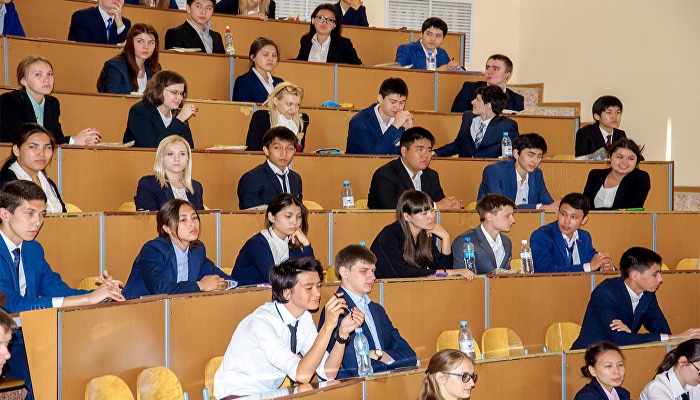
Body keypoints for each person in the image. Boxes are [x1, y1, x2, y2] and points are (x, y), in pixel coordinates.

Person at [0, 181, 124, 399]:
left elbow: (59, 290)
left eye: (42, 214)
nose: (38, 222)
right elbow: (11, 304)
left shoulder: (33, 249)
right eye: (30, 213)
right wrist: (86, 300)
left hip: (35, 334)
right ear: (5, 214)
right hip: (6, 341)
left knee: (87, 362)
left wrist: (103, 295)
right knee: (49, 375)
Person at [214, 257, 364, 397]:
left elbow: (328, 372)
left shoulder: (304, 317)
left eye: (318, 286)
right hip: (239, 395)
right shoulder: (261, 322)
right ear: (286, 293)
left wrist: (342, 335)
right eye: (309, 288)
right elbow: (302, 376)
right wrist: (328, 327)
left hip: (270, 395)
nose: (317, 293)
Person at [571, 247, 700, 350]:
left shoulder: (648, 294)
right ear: (635, 276)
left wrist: (630, 336)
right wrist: (675, 337)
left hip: (618, 357)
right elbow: (619, 340)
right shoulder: (605, 293)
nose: (660, 279)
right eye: (655, 274)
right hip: (588, 357)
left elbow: (662, 331)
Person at [318, 245, 417, 378]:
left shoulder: (377, 310)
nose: (373, 277)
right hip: (353, 388)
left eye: (373, 271)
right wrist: (390, 361)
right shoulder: (336, 311)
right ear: (344, 272)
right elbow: (356, 366)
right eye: (364, 271)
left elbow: (410, 356)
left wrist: (378, 354)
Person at [122, 199, 235, 299]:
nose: (192, 224)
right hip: (136, 309)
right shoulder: (153, 250)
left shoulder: (197, 250)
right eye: (183, 220)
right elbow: (160, 290)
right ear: (167, 228)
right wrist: (201, 285)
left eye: (194, 218)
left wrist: (222, 285)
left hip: (176, 311)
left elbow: (229, 279)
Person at [370, 189, 475, 280]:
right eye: (424, 213)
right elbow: (402, 273)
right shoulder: (390, 234)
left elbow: (442, 269)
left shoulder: (426, 233)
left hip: (413, 289)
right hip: (385, 290)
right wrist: (448, 273)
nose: (431, 216)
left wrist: (446, 237)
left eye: (432, 211)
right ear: (407, 217)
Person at [0, 55, 101, 145]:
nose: (46, 79)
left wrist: (83, 140)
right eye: (38, 74)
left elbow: (56, 138)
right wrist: (72, 140)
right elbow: (24, 140)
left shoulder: (52, 103)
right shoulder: (9, 100)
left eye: (49, 74)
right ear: (23, 80)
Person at [367, 127, 461, 210]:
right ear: (404, 151)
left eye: (429, 150)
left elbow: (441, 204)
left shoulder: (431, 176)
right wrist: (434, 206)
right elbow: (394, 211)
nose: (426, 155)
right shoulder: (385, 175)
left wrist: (452, 206)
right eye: (420, 149)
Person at [231, 193, 313, 286]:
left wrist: (306, 244)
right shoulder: (257, 244)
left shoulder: (291, 245)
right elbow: (273, 278)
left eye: (299, 217)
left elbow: (311, 276)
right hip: (245, 294)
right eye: (288, 216)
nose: (294, 222)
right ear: (271, 217)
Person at [530, 193, 613, 273]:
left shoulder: (584, 237)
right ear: (557, 213)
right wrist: (588, 267)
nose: (566, 221)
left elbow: (593, 260)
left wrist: (604, 265)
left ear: (584, 220)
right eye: (563, 214)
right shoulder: (542, 236)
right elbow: (543, 270)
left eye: (574, 217)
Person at [435, 85, 519, 158]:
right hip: (464, 167)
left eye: (477, 99)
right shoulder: (467, 117)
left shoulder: (507, 125)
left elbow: (513, 153)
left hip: (489, 169)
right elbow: (458, 144)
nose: (472, 102)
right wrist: (436, 153)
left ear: (488, 105)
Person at [477, 133, 557, 210]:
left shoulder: (537, 174)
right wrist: (538, 207)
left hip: (527, 219)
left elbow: (548, 204)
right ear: (516, 154)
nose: (535, 161)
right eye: (530, 155)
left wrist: (558, 205)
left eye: (539, 156)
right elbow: (501, 206)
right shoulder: (494, 172)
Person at [0, 124, 65, 213]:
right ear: (16, 150)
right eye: (33, 147)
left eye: (47, 147)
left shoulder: (47, 182)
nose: (42, 153)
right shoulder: (5, 182)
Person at [123, 70, 196, 148]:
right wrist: (179, 120)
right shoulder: (140, 111)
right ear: (158, 90)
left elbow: (189, 148)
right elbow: (153, 148)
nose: (179, 97)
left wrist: (180, 119)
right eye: (174, 92)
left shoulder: (178, 114)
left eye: (181, 93)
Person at [238, 127, 302, 210]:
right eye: (277, 148)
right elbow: (252, 215)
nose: (284, 154)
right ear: (266, 150)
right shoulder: (251, 179)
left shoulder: (296, 178)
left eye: (289, 148)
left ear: (294, 151)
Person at [134, 135, 203, 211]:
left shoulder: (196, 187)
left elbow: (201, 216)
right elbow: (148, 217)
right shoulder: (149, 184)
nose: (177, 159)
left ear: (188, 158)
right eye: (170, 154)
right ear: (161, 157)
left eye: (182, 154)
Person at [346, 77, 412, 155]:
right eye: (393, 102)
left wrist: (409, 131)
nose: (398, 107)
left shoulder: (401, 120)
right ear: (380, 98)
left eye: (402, 103)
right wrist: (395, 126)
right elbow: (374, 155)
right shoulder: (359, 122)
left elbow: (408, 155)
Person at [451, 194, 516, 274]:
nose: (513, 220)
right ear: (489, 216)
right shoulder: (463, 241)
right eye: (507, 216)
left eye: (512, 215)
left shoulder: (506, 242)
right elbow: (460, 277)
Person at [583, 138, 650, 210]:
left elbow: (628, 210)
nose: (624, 162)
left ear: (636, 161)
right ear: (610, 157)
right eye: (619, 157)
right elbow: (584, 206)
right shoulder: (595, 175)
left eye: (631, 159)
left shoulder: (640, 178)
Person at [97, 23, 162, 94]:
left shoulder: (155, 68)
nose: (146, 47)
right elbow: (112, 97)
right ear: (130, 43)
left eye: (151, 42)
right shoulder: (115, 67)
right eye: (140, 41)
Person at [245, 82, 309, 151]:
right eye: (289, 104)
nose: (294, 109)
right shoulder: (261, 118)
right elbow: (252, 150)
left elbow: (299, 152)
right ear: (276, 101)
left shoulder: (302, 121)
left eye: (297, 105)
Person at [451, 54, 524, 113]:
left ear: (507, 74)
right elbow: (456, 117)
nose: (489, 72)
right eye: (487, 68)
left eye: (496, 69)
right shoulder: (470, 89)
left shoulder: (517, 100)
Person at [295, 3, 362, 65]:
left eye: (330, 20)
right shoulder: (305, 40)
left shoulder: (344, 44)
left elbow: (358, 67)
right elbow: (299, 63)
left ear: (334, 25)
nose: (324, 23)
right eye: (320, 18)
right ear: (313, 20)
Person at [395, 17, 461, 71]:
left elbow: (450, 72)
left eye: (438, 36)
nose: (433, 39)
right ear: (421, 34)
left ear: (442, 39)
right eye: (429, 34)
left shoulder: (442, 53)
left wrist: (456, 68)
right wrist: (436, 72)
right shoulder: (406, 50)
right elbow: (399, 74)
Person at [232, 37, 284, 103]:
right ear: (253, 57)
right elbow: (242, 108)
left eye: (274, 55)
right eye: (265, 54)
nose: (271, 59)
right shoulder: (244, 81)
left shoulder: (280, 83)